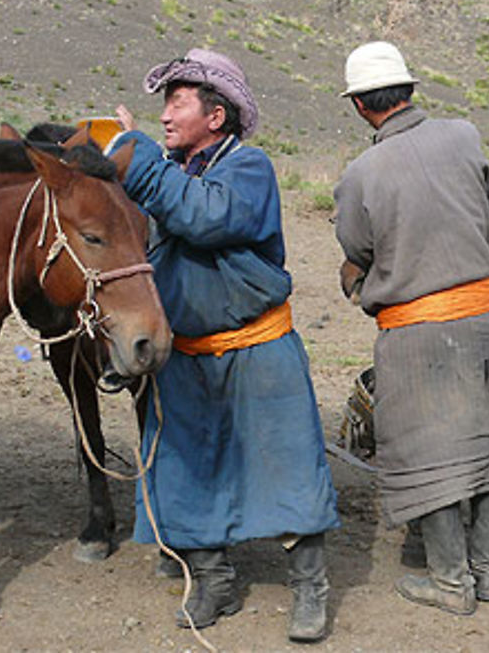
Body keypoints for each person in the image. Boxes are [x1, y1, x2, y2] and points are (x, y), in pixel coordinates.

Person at [105, 48, 339, 643]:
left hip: (259, 348)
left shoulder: (249, 168)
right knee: (185, 471)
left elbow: (209, 219)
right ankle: (214, 580)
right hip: (186, 355)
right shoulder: (168, 176)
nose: (165, 115)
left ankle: (311, 586)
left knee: (287, 464)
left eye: (178, 102)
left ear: (217, 116)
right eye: (163, 104)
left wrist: (145, 164)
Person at [333, 41, 489, 615]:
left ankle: (451, 585)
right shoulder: (464, 136)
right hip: (481, 318)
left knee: (430, 451)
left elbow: (357, 247)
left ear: (359, 107)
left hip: (416, 330)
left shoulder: (360, 174)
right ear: (411, 91)